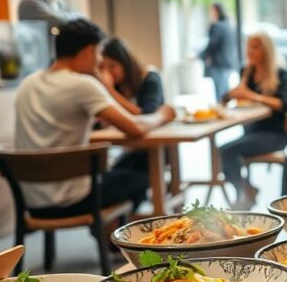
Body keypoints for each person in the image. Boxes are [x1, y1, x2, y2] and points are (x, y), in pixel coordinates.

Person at [14, 19, 175, 216]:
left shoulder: (27, 83)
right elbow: (135, 128)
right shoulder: (82, 85)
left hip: (31, 201)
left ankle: (116, 230)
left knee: (120, 169)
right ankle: (120, 233)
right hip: (72, 199)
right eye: (99, 53)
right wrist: (162, 114)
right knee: (147, 174)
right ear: (89, 51)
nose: (99, 62)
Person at [219, 32, 287, 209]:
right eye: (249, 46)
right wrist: (231, 95)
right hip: (251, 133)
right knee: (224, 151)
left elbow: (286, 104)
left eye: (255, 46)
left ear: (267, 49)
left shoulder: (279, 73)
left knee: (227, 151)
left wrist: (252, 96)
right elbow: (229, 97)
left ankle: (244, 193)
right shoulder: (247, 73)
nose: (250, 51)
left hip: (274, 135)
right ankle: (247, 188)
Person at [98, 37, 165, 172]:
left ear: (125, 63)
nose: (107, 73)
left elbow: (147, 116)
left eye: (112, 66)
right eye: (102, 67)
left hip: (154, 150)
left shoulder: (150, 78)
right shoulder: (116, 86)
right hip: (127, 148)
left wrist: (110, 91)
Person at [200, 2, 238, 102]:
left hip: (219, 64)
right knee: (226, 92)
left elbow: (212, 45)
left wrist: (201, 56)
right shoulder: (229, 25)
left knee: (220, 94)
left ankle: (224, 114)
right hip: (229, 63)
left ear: (216, 11)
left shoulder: (217, 26)